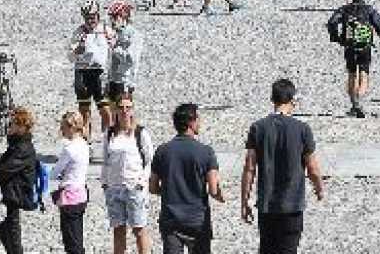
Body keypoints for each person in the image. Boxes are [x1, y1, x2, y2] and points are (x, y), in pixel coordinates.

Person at [241, 79, 327, 254]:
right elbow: (312, 168)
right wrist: (319, 189)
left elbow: (250, 168)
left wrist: (245, 201)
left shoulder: (258, 128)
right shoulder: (302, 129)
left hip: (267, 204)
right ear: (292, 100)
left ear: (272, 99)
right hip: (292, 204)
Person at [150, 102, 224, 254]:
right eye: (198, 119)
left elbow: (152, 187)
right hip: (197, 220)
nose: (200, 122)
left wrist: (170, 190)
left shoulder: (162, 151)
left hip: (171, 219)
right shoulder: (206, 152)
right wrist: (220, 195)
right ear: (191, 123)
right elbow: (213, 189)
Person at [327, 0, 380, 118]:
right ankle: (359, 100)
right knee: (364, 73)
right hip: (365, 46)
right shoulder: (369, 10)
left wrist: (336, 37)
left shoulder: (345, 9)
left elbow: (332, 22)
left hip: (349, 45)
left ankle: (354, 104)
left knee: (352, 73)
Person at [102, 91, 154, 254]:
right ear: (116, 110)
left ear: (132, 109)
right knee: (118, 230)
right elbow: (105, 159)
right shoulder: (109, 133)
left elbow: (149, 160)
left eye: (128, 107)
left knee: (139, 229)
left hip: (134, 188)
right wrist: (105, 183)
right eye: (121, 107)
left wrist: (142, 182)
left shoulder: (140, 133)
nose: (124, 111)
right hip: (114, 188)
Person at [0, 107, 39, 254]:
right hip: (9, 193)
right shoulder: (17, 144)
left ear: (21, 127)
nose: (9, 126)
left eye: (12, 124)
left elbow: (5, 170)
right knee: (4, 232)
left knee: (12, 235)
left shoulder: (22, 148)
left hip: (14, 194)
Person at [51, 112, 93, 254]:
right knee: (77, 237)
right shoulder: (84, 144)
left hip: (69, 197)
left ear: (71, 128)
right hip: (81, 193)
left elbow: (54, 172)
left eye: (63, 127)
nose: (61, 130)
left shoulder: (69, 149)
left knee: (71, 242)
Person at [70, 0, 114, 131]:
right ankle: (85, 138)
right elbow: (70, 56)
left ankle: (108, 137)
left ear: (98, 15)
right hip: (82, 72)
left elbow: (115, 50)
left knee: (105, 109)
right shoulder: (79, 32)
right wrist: (77, 50)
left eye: (92, 17)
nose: (90, 20)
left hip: (100, 73)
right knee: (84, 109)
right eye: (87, 18)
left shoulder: (106, 30)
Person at [104, 2, 145, 131]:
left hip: (125, 80)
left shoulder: (134, 34)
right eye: (111, 17)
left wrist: (114, 47)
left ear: (124, 16)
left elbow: (131, 58)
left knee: (125, 115)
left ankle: (130, 138)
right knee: (112, 114)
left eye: (115, 17)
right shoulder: (114, 33)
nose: (112, 20)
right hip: (112, 79)